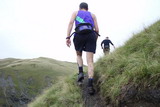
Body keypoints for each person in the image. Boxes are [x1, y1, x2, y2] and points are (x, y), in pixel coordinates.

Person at [66, 2, 99, 95]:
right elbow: (97, 30)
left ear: (80, 8)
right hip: (91, 35)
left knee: (79, 54)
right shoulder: (93, 15)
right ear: (87, 9)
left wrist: (68, 37)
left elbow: (70, 23)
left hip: (79, 35)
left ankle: (80, 72)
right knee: (90, 61)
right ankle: (90, 85)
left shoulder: (76, 13)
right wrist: (94, 40)